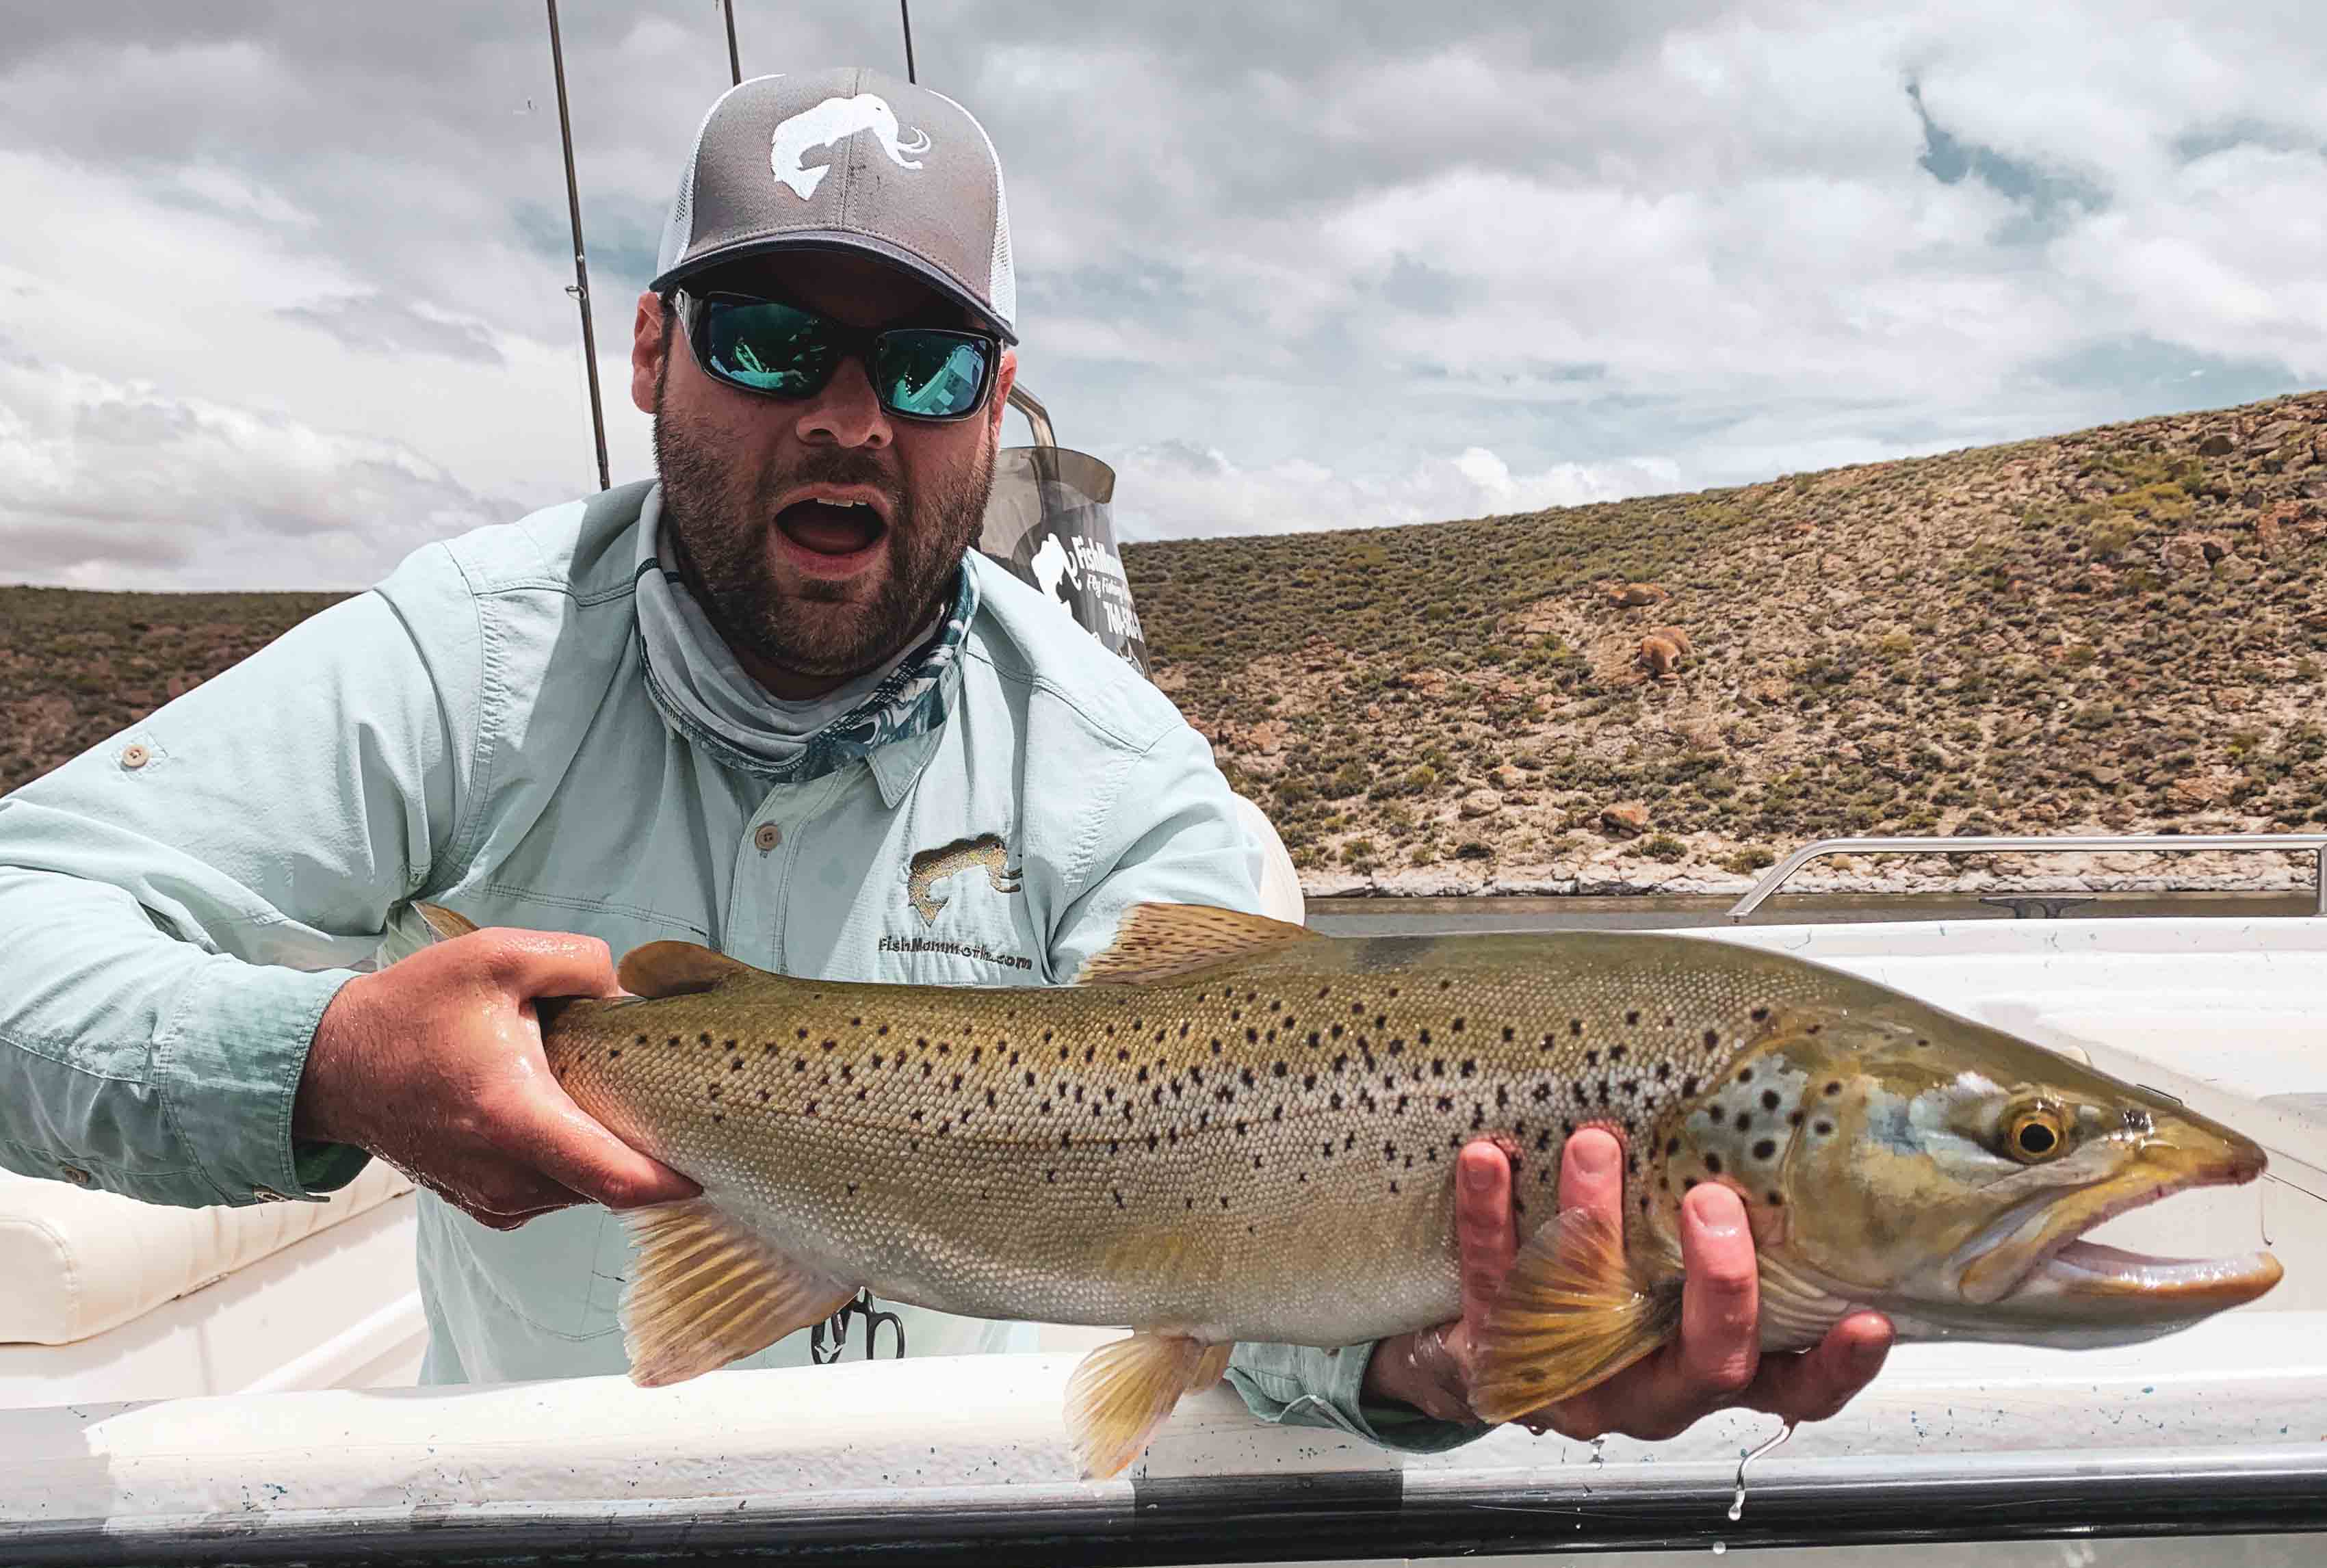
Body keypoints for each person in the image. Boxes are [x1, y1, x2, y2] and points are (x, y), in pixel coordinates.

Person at [0, 68, 1888, 1452]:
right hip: (540, 1500)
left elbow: (1275, 1285)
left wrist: (1442, 1361)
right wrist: (328, 1063)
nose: (845, 420)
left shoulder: (1113, 765)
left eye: (919, 369)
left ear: (992, 408)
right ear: (649, 352)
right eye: (769, 340)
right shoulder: (467, 662)